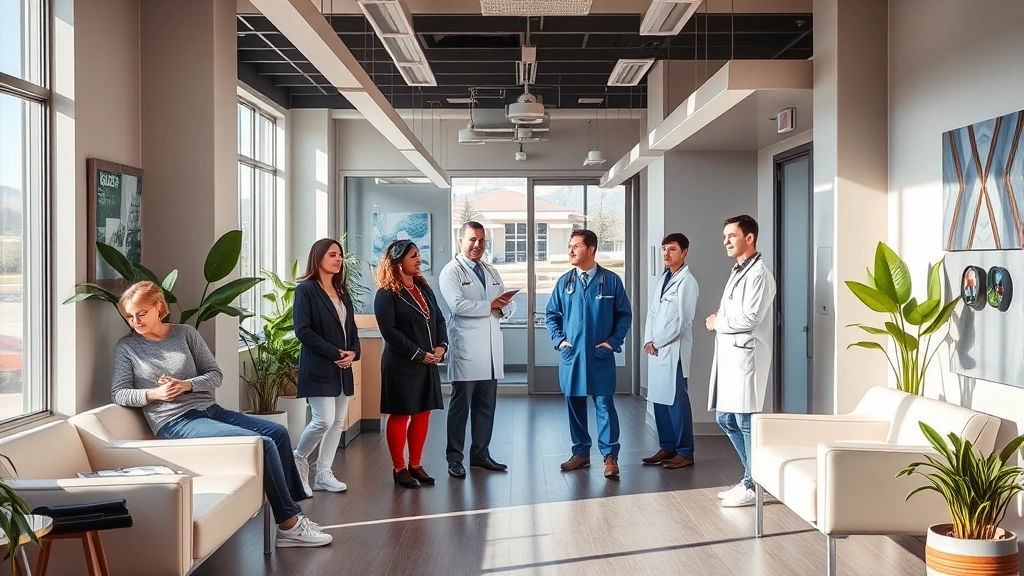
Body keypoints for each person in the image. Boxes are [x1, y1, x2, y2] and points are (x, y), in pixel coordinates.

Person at [110, 281, 331, 548]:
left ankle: (293, 512)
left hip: (211, 411)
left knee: (278, 432)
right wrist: (154, 394)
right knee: (262, 444)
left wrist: (186, 384)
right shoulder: (127, 347)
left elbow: (215, 375)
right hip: (176, 421)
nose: (135, 321)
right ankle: (289, 524)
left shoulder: (185, 334)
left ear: (159, 308)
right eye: (129, 316)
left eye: (141, 313)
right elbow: (119, 393)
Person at [545, 229, 632, 478]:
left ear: (591, 249)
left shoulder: (611, 281)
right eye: (569, 246)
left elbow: (624, 315)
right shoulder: (565, 282)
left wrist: (613, 342)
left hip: (599, 356)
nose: (570, 251)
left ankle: (610, 456)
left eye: (576, 246)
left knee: (604, 404)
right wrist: (559, 341)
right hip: (572, 356)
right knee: (574, 404)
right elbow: (552, 315)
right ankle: (581, 453)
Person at [705, 214, 777, 508]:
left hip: (746, 353)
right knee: (725, 417)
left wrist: (717, 321)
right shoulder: (738, 271)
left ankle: (753, 483)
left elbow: (750, 317)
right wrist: (720, 321)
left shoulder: (760, 274)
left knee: (745, 421)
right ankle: (752, 478)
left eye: (731, 236)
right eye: (725, 236)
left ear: (749, 238)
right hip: (731, 353)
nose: (726, 241)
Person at [438, 221, 512, 479]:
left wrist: (501, 307)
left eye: (482, 240)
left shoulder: (490, 271)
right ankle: (454, 458)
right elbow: (458, 306)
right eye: (472, 240)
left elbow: (508, 303)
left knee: (486, 406)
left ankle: (480, 454)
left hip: (491, 350)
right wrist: (490, 306)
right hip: (467, 350)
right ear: (461, 241)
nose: (478, 245)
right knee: (461, 407)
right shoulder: (451, 272)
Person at [374, 239, 448, 489]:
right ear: (397, 261)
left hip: (427, 361)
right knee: (400, 414)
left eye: (418, 255)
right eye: (413, 255)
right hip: (401, 363)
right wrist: (418, 353)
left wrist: (441, 345)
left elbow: (438, 318)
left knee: (423, 412)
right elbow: (390, 332)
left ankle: (415, 464)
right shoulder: (385, 294)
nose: (418, 259)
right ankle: (399, 468)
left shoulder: (423, 287)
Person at [292, 238, 361, 496]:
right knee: (323, 420)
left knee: (337, 422)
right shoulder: (306, 290)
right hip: (319, 365)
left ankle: (323, 473)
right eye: (333, 254)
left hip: (343, 366)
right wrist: (335, 353)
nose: (338, 259)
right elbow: (303, 331)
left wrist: (353, 352)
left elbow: (351, 329)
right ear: (318, 257)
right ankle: (299, 459)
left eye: (340, 255)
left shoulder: (342, 292)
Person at [643, 233, 699, 470]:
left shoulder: (688, 282)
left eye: (672, 249)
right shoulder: (663, 279)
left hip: (672, 350)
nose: (666, 254)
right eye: (664, 249)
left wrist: (659, 341)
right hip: (657, 349)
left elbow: (682, 321)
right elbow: (652, 313)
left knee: (676, 401)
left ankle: (685, 451)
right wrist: (648, 340)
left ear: (684, 252)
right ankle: (667, 447)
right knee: (658, 399)